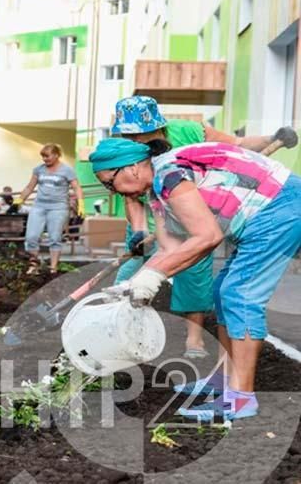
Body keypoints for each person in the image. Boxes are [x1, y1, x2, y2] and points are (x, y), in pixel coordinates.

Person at [90, 138, 301, 421]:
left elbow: (207, 236)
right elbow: (170, 249)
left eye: (109, 183)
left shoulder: (169, 175)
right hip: (265, 214)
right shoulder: (157, 193)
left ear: (132, 169)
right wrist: (133, 284)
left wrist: (154, 276)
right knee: (222, 291)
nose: (113, 192)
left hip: (280, 207)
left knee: (240, 294)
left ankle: (240, 398)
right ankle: (225, 380)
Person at [110, 95, 298, 358]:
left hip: (198, 214)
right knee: (128, 278)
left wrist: (271, 139)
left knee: (201, 276)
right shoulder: (121, 153)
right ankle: (120, 337)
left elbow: (239, 147)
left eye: (140, 135)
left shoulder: (187, 132)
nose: (134, 142)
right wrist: (140, 231)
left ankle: (195, 341)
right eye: (127, 136)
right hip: (153, 218)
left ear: (158, 127)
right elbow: (130, 197)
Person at [15, 143, 84, 274]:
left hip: (58, 208)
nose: (45, 159)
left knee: (55, 238)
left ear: (57, 155)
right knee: (31, 237)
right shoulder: (38, 169)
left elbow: (77, 187)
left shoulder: (67, 170)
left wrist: (81, 203)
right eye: (43, 157)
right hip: (39, 206)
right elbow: (30, 187)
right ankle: (34, 265)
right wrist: (19, 200)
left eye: (47, 156)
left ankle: (53, 268)